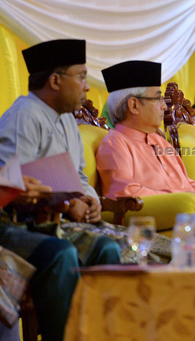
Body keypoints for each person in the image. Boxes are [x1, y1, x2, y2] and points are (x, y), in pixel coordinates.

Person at [0, 39, 120, 340]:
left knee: (108, 248)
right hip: (17, 225)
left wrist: (89, 200)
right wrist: (67, 205)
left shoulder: (67, 119)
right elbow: (17, 186)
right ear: (54, 80)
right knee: (60, 254)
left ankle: (105, 334)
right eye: (80, 76)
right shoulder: (23, 116)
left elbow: (78, 175)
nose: (86, 86)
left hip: (55, 221)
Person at [96, 60, 195, 227]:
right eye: (157, 98)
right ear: (134, 105)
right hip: (157, 222)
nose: (164, 106)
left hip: (189, 213)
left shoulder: (159, 141)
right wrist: (184, 198)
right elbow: (125, 194)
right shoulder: (114, 144)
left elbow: (186, 182)